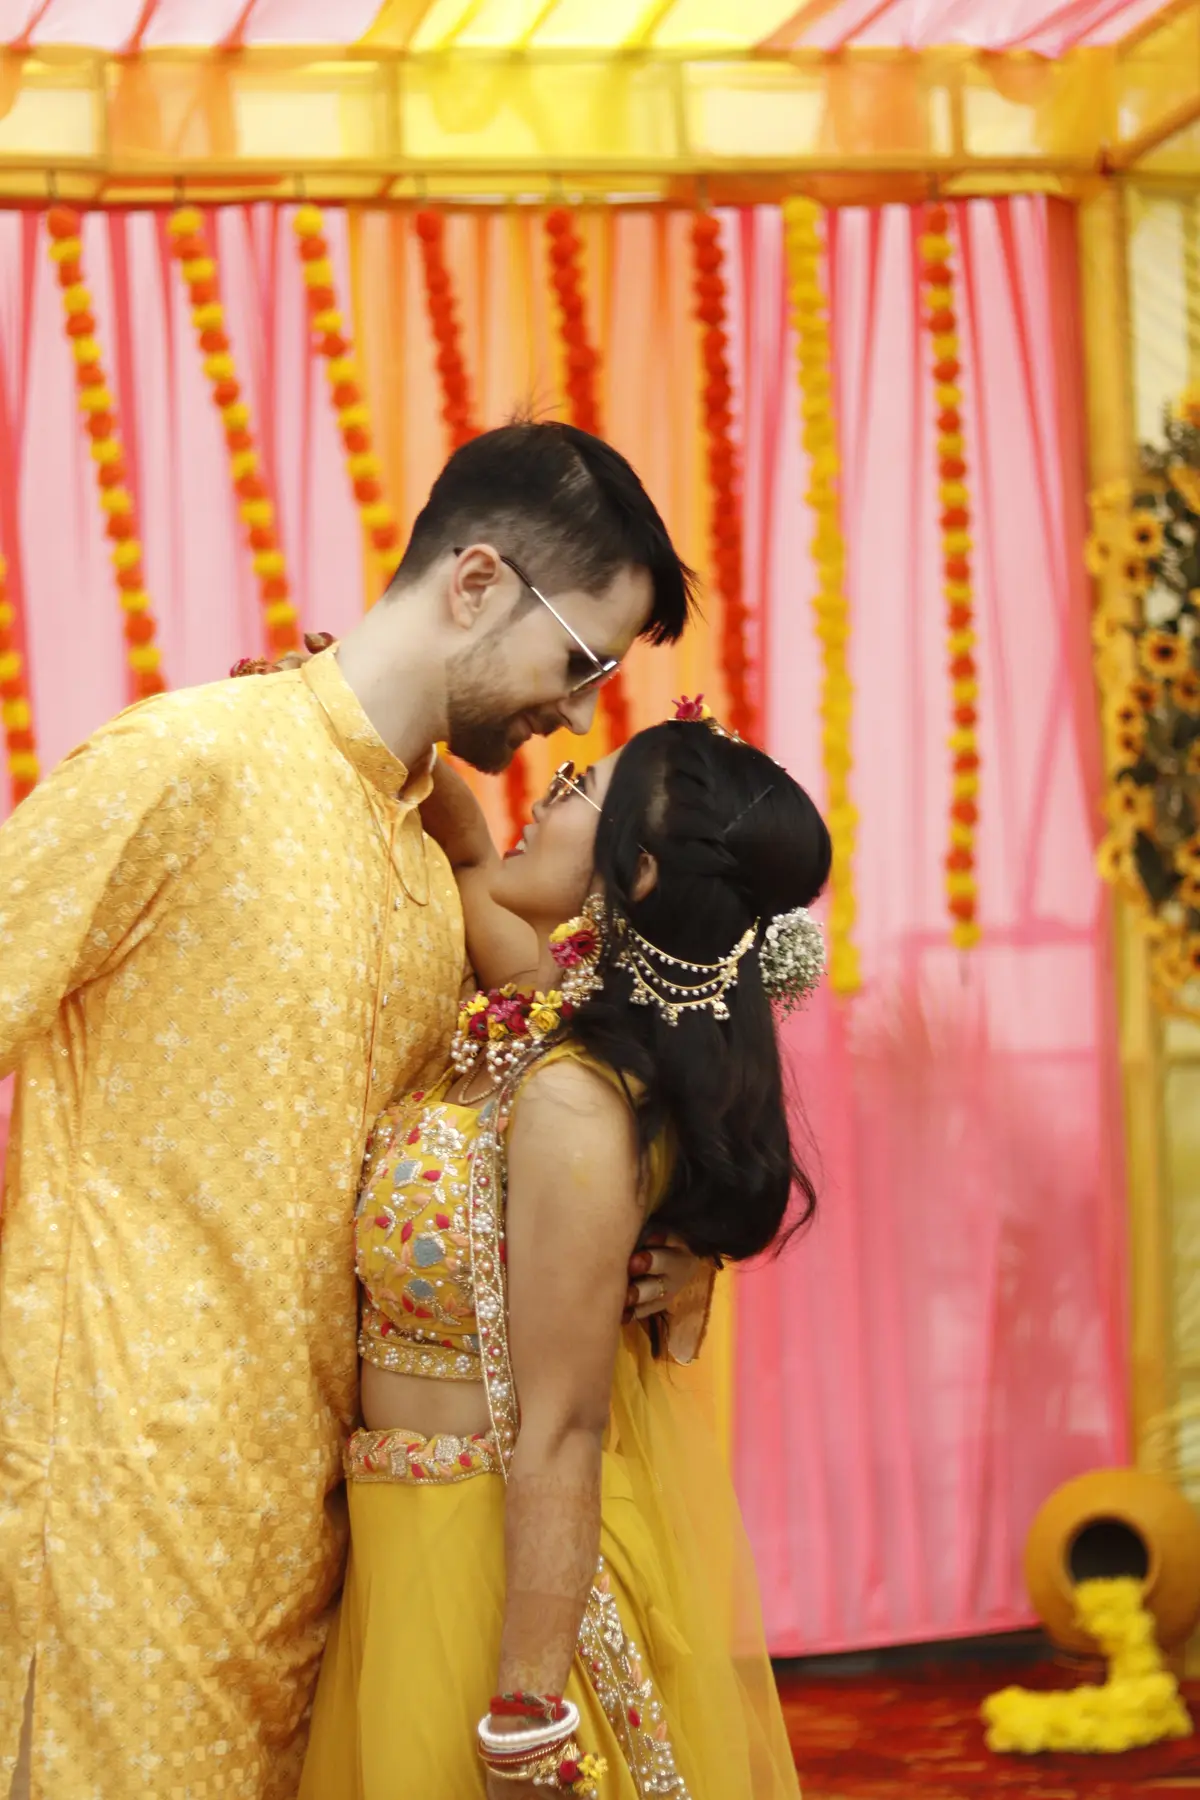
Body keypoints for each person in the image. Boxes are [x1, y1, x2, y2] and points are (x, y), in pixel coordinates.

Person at [0, 423, 705, 1800]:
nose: (578, 716)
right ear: (477, 582)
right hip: (124, 1513)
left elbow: (543, 1117)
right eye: (581, 662)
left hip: (333, 1541)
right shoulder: (188, 763)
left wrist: (681, 1250)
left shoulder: (436, 867)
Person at [298, 703, 831, 1799]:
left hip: (497, 1574)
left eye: (584, 784)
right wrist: (340, 719)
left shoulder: (579, 1099)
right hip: (404, 1547)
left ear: (637, 873)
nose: (549, 787)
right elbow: (476, 867)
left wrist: (527, 1715)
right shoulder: (538, 1012)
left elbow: (566, 1425)